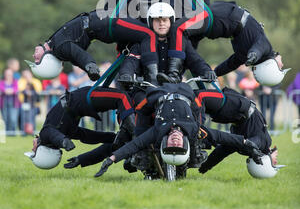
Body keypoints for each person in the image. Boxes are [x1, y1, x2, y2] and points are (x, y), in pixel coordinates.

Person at [94, 82, 264, 179]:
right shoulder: (194, 130)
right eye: (179, 146)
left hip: (157, 94)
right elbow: (221, 136)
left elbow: (134, 144)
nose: (175, 142)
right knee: (197, 105)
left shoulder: (157, 132)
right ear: (185, 145)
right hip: (185, 91)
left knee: (139, 126)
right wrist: (247, 144)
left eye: (170, 146)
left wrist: (111, 159)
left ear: (164, 145)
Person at [25, 11, 163, 83]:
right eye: (36, 61)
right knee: (148, 34)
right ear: (46, 62)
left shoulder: (54, 43)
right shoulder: (60, 48)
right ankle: (153, 76)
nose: (33, 56)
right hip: (106, 25)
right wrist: (90, 67)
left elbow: (76, 58)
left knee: (144, 31)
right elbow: (79, 56)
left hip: (102, 20)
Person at [24, 84, 136, 170]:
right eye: (34, 151)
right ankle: (137, 137)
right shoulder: (45, 135)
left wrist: (64, 142)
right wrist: (64, 142)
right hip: (83, 99)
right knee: (123, 97)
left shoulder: (62, 132)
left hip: (83, 101)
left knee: (127, 97)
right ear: (43, 152)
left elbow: (85, 136)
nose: (33, 148)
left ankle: (136, 137)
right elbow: (86, 136)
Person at [181, 0, 289, 86]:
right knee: (184, 32)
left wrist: (215, 73)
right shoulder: (265, 49)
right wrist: (253, 55)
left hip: (224, 18)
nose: (282, 64)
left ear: (270, 68)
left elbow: (229, 65)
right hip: (226, 18)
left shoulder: (244, 57)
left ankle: (179, 71)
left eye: (280, 67)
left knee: (188, 41)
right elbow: (259, 48)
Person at [194, 84, 279, 177]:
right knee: (197, 98)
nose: (276, 160)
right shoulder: (262, 143)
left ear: (265, 163)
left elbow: (223, 150)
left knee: (196, 99)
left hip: (234, 108)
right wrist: (206, 166)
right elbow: (251, 143)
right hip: (235, 109)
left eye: (274, 163)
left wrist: (206, 166)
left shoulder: (255, 146)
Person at [18, 69, 43, 135]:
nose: (26, 76)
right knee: (24, 118)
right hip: (24, 103)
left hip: (33, 103)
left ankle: (32, 132)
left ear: (31, 74)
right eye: (25, 74)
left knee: (32, 118)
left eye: (27, 74)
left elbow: (38, 90)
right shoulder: (21, 81)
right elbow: (20, 89)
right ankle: (23, 132)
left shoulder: (36, 81)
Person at [0, 68, 20, 134]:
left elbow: (16, 89)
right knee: (5, 118)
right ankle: (7, 133)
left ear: (12, 74)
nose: (8, 75)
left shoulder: (15, 81)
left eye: (9, 74)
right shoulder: (1, 82)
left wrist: (8, 91)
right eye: (7, 74)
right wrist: (7, 90)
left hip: (14, 103)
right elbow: (2, 88)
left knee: (13, 119)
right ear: (5, 74)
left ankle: (13, 133)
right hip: (3, 103)